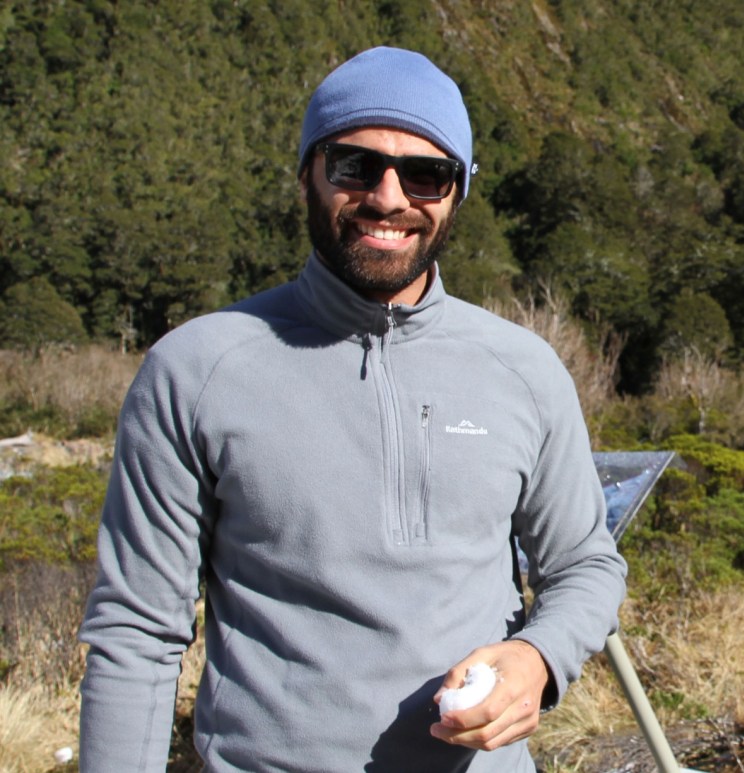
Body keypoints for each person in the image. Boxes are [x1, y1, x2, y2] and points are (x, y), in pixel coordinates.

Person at [78, 46, 627, 773]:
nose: (390, 197)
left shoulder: (524, 369)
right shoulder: (195, 370)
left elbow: (585, 562)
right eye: (354, 165)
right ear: (307, 171)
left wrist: (539, 656)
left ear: (458, 191)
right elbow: (137, 632)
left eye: (426, 173)